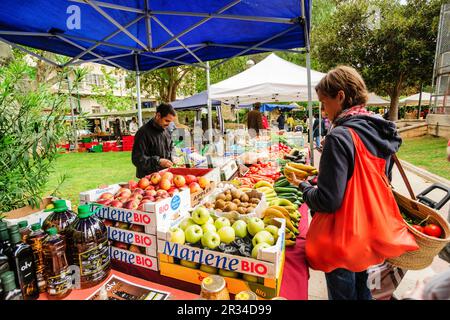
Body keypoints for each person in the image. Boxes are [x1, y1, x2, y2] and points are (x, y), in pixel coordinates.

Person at [286, 65, 418, 300]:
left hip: (342, 240)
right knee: (363, 292)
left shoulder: (339, 136)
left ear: (340, 96)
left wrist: (303, 186)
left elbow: (328, 200)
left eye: (324, 103)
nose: (324, 111)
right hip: (368, 235)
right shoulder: (378, 130)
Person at [132, 103, 175, 178]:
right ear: (158, 116)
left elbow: (170, 148)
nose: (168, 124)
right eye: (167, 121)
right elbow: (137, 159)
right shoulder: (143, 132)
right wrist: (158, 161)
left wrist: (174, 156)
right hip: (148, 178)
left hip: (164, 176)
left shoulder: (167, 130)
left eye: (170, 122)